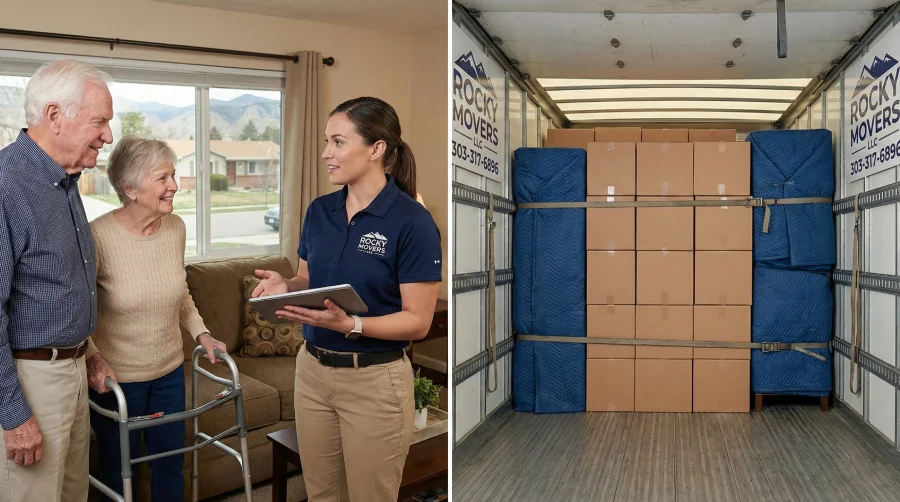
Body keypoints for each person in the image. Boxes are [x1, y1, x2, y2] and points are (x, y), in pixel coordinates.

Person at [253, 96, 443, 501]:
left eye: (338, 142)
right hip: (313, 372)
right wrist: (286, 284)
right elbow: (306, 276)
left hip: (375, 380)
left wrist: (351, 325)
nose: (326, 153)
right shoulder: (319, 211)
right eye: (326, 141)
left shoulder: (413, 222)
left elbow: (418, 321)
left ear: (376, 150)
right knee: (321, 493)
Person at [84, 135, 227, 501]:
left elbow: (179, 292)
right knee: (119, 472)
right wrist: (93, 358)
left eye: (174, 175)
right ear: (130, 187)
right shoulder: (97, 236)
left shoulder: (175, 228)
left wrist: (202, 334)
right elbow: (78, 309)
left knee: (170, 464)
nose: (174, 186)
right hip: (118, 381)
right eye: (163, 178)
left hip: (168, 373)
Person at [0, 59, 113, 502]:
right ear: (54, 116)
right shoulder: (7, 185)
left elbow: (61, 287)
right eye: (100, 121)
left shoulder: (64, 180)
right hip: (30, 381)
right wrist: (13, 414)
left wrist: (91, 353)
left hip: (72, 369)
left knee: (71, 495)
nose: (107, 135)